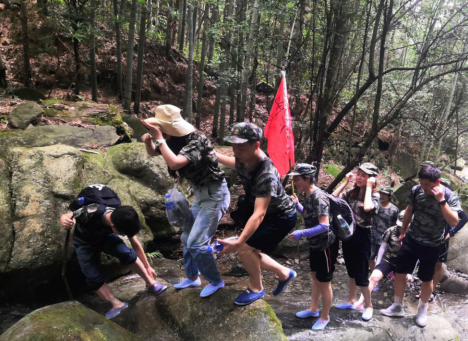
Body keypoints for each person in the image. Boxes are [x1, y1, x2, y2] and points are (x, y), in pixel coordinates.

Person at [141, 104, 230, 298]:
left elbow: (174, 163)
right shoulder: (173, 139)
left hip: (215, 195)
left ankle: (216, 281)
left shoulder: (196, 140)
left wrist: (159, 137)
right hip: (200, 194)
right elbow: (156, 152)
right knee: (186, 238)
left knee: (197, 243)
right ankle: (192, 277)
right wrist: (150, 142)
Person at [215, 122, 298, 306]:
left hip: (281, 217)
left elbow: (259, 213)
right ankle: (284, 273)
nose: (236, 151)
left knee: (244, 249)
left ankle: (256, 288)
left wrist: (239, 241)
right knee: (252, 251)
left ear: (256, 145)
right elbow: (235, 164)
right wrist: (212, 154)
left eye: (241, 147)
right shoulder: (246, 158)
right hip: (269, 214)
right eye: (234, 146)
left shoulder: (266, 174)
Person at [59, 184, 167, 319]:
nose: (124, 235)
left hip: (105, 237)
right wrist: (65, 220)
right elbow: (67, 215)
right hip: (85, 241)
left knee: (126, 253)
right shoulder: (91, 211)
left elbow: (135, 243)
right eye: (122, 234)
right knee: (93, 277)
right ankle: (116, 304)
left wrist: (148, 266)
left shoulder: (122, 216)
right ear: (113, 226)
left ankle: (150, 283)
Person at [381, 164, 461, 327]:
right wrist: (403, 231)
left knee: (426, 279)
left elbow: (454, 222)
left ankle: (422, 310)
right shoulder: (417, 190)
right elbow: (409, 210)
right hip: (412, 238)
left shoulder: (449, 196)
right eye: (422, 183)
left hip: (432, 244)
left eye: (427, 184)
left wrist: (441, 201)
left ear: (437, 181)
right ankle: (397, 306)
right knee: (400, 272)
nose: (423, 187)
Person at [287, 164, 339, 330]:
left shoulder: (319, 197)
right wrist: (297, 205)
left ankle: (325, 316)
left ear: (307, 178)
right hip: (314, 244)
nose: (295, 183)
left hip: (325, 245)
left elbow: (324, 225)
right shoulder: (308, 196)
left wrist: (301, 234)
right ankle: (313, 309)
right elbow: (310, 215)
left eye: (297, 179)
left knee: (324, 281)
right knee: (315, 277)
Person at [331, 163, 380, 314]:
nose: (359, 178)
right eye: (358, 174)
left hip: (362, 236)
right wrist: (345, 182)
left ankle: (369, 306)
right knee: (351, 270)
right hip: (348, 234)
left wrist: (369, 187)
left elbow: (367, 208)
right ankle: (351, 300)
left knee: (362, 273)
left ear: (371, 178)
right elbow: (332, 198)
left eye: (363, 176)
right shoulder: (351, 193)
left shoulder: (374, 196)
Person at [362, 210, 409, 321]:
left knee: (401, 282)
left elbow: (416, 255)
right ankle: (367, 305)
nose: (401, 227)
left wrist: (410, 272)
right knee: (373, 277)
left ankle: (398, 305)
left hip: (404, 262)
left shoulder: (414, 234)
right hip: (388, 260)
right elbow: (383, 247)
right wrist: (378, 263)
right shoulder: (391, 231)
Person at [429, 178, 468, 299]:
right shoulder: (428, 198)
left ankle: (431, 290)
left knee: (437, 265)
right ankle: (427, 287)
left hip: (443, 237)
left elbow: (465, 218)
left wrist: (451, 232)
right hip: (428, 235)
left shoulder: (450, 201)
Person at [370, 186, 399, 271]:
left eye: (385, 194)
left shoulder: (394, 210)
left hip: (385, 239)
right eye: (381, 194)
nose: (382, 196)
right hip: (372, 236)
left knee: (382, 258)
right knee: (370, 256)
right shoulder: (375, 205)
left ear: (390, 196)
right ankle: (373, 272)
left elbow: (396, 226)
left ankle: (380, 273)